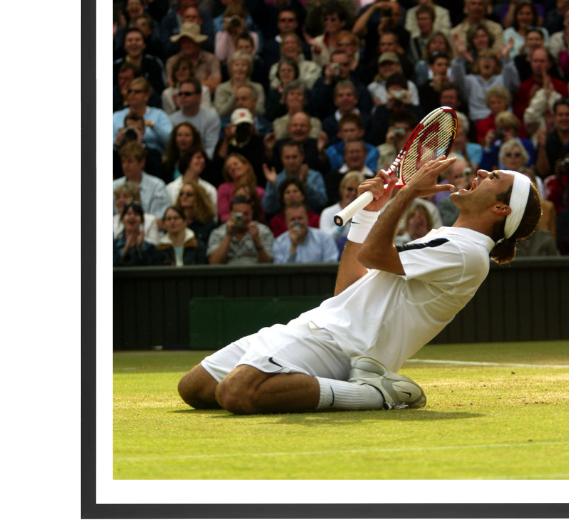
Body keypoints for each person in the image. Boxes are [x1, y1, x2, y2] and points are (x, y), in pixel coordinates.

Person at [177, 156, 542, 413]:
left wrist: (403, 196)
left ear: (501, 209)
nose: (480, 171)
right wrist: (370, 211)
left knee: (237, 392)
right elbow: (351, 283)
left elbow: (373, 254)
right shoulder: (450, 239)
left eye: (493, 177)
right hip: (319, 325)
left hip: (348, 347)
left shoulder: (467, 252)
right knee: (193, 388)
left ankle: (373, 394)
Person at [261, 140, 328, 217]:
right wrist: (272, 185)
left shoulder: (315, 176)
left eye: (294, 157)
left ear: (302, 157)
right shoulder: (276, 179)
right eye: (287, 157)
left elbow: (322, 202)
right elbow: (268, 208)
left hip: (310, 219)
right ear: (282, 158)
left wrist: (305, 183)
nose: (291, 161)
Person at [207, 194, 274, 266]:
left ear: (252, 213)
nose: (243, 218)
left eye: (246, 214)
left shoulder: (263, 231)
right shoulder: (218, 233)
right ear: (230, 214)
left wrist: (257, 240)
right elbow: (214, 263)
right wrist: (228, 235)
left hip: (255, 274)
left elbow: (267, 265)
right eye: (239, 214)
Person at [111, 142, 170, 221]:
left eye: (130, 161)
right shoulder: (114, 186)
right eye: (123, 161)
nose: (125, 166)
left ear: (142, 162)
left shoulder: (157, 186)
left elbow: (160, 219)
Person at [272, 202, 340, 265]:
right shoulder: (279, 243)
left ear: (307, 219)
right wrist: (293, 247)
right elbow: (280, 273)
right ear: (286, 222)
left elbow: (331, 267)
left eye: (300, 218)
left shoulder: (324, 239)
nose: (297, 222)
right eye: (292, 219)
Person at [216, 151, 267, 225]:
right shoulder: (224, 188)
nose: (233, 167)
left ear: (246, 165)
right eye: (229, 167)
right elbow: (224, 216)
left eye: (235, 164)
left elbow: (261, 216)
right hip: (231, 226)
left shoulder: (260, 192)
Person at [112, 202, 160, 266]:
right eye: (128, 214)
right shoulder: (114, 245)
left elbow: (150, 268)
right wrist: (126, 249)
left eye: (136, 214)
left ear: (141, 220)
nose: (132, 216)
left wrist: (139, 248)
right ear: (122, 219)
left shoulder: (150, 248)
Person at [175, 181, 217, 247]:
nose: (184, 196)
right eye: (181, 193)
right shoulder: (175, 221)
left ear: (198, 198)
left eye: (189, 194)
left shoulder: (208, 224)